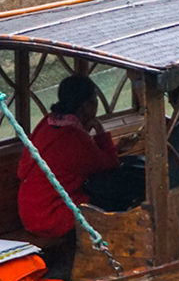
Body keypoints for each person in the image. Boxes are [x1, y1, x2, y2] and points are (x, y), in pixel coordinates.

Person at [16, 75, 121, 245]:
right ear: (86, 106)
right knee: (115, 200)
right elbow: (109, 164)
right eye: (94, 101)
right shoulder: (73, 137)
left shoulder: (47, 123)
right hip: (52, 216)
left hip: (31, 212)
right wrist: (100, 133)